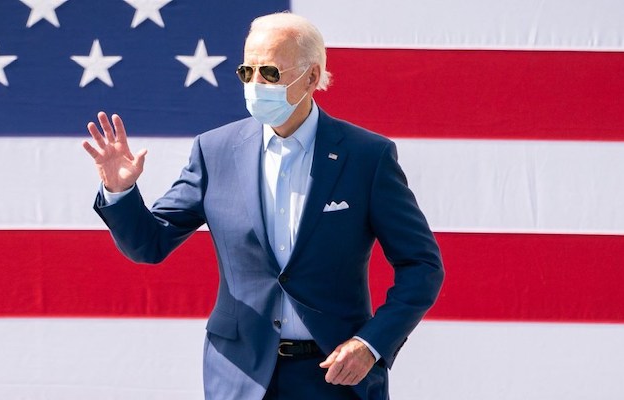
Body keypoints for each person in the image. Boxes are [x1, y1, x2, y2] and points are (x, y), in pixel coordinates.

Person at [83, 12, 444, 400]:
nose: (256, 84)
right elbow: (149, 245)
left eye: (270, 72)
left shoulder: (366, 156)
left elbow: (422, 265)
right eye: (247, 71)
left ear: (311, 77)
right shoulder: (215, 151)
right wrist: (120, 190)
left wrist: (370, 344)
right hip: (240, 376)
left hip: (336, 376)